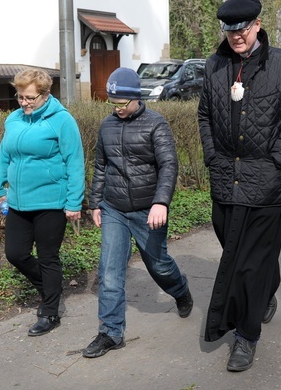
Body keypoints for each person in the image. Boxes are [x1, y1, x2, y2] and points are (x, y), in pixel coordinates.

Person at [197, 0, 281, 372]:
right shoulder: (214, 65)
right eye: (229, 30)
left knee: (246, 267)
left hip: (265, 185)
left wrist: (278, 160)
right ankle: (267, 287)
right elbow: (204, 115)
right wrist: (212, 157)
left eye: (242, 29)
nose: (236, 37)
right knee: (239, 253)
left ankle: (246, 336)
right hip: (225, 181)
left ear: (258, 25)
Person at [82, 68, 192, 358]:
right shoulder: (106, 126)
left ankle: (180, 289)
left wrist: (161, 202)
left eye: (122, 103)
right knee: (108, 271)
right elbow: (101, 166)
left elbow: (169, 165)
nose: (117, 109)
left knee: (159, 265)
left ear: (135, 98)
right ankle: (110, 332)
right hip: (114, 208)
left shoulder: (156, 124)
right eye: (112, 103)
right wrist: (95, 203)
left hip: (148, 210)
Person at [0, 68, 85, 336]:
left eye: (30, 98)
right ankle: (49, 288)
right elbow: (4, 157)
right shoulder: (14, 120)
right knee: (15, 254)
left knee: (47, 257)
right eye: (20, 97)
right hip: (18, 201)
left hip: (50, 202)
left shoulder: (62, 121)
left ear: (45, 94)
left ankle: (49, 312)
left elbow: (74, 162)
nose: (24, 103)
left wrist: (74, 202)